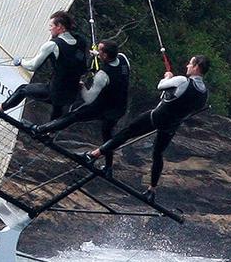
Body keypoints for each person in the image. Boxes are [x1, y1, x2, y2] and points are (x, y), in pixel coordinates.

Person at [85, 54, 210, 200]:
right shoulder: (204, 93)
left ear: (196, 67)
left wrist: (168, 77)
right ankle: (152, 190)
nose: (187, 66)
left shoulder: (182, 80)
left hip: (157, 117)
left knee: (126, 132)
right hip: (171, 126)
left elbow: (160, 86)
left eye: (190, 63)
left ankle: (93, 155)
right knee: (158, 154)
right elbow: (185, 105)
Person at [30, 39, 130, 175]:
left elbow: (88, 99)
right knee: (107, 135)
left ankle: (41, 129)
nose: (98, 53)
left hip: (103, 106)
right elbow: (112, 63)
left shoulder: (103, 75)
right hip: (119, 107)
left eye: (99, 51)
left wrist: (82, 86)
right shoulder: (123, 60)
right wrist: (96, 54)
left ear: (105, 55)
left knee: (73, 116)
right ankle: (108, 167)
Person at [0, 11, 88, 121]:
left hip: (55, 91)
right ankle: (49, 134)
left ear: (59, 27)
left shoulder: (53, 45)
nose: (49, 29)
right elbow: (82, 67)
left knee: (23, 90)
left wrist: (20, 61)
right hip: (72, 94)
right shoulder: (81, 41)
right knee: (58, 109)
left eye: (51, 26)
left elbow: (33, 66)